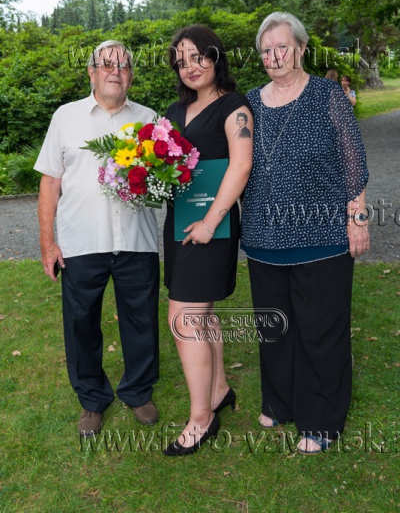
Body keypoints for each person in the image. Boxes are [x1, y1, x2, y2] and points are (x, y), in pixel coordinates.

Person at [241, 12, 369, 454]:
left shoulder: (327, 95)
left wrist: (357, 217)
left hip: (321, 238)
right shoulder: (250, 104)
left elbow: (353, 160)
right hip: (263, 238)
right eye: (266, 50)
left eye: (282, 47)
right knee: (275, 328)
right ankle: (279, 403)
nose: (274, 56)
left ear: (300, 48)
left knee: (320, 331)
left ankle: (322, 421)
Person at [34, 40, 160, 436]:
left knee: (141, 322)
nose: (114, 71)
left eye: (123, 66)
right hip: (80, 243)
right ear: (91, 72)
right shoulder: (65, 117)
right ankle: (92, 399)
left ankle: (138, 391)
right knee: (81, 324)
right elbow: (50, 182)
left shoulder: (148, 119)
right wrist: (48, 243)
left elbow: (164, 177)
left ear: (131, 76)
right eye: (106, 64)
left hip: (137, 241)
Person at [162, 25, 253, 456]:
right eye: (182, 61)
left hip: (212, 227)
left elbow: (241, 165)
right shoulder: (173, 112)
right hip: (180, 224)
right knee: (203, 314)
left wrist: (210, 222)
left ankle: (201, 419)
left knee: (184, 319)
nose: (191, 67)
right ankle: (218, 392)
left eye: (199, 57)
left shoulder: (235, 107)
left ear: (215, 57)